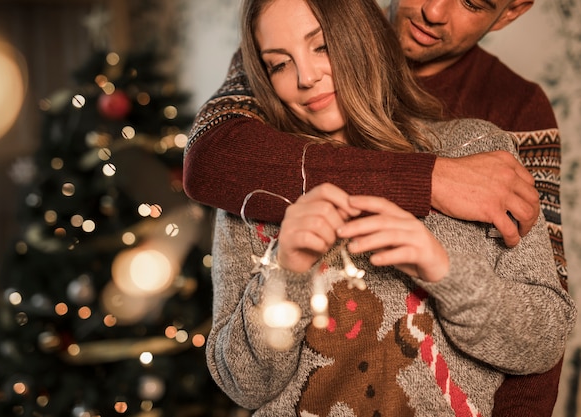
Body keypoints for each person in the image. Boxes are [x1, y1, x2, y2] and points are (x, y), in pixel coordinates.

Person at [183, 0, 568, 414]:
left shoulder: (493, 133)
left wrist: (446, 272)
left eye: (323, 46)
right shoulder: (256, 186)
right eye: (278, 64)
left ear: (511, 11)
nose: (307, 76)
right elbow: (209, 159)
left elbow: (541, 342)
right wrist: (284, 272)